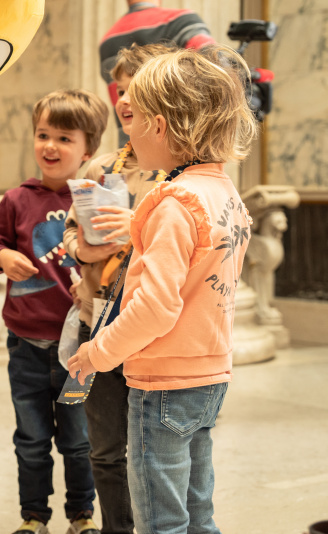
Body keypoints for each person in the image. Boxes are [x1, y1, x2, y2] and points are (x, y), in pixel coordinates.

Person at [68, 45, 258, 534]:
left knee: (160, 518)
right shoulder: (222, 192)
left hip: (165, 382)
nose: (126, 126)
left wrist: (97, 352)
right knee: (198, 509)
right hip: (211, 372)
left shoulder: (173, 201)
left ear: (160, 126)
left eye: (136, 115)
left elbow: (155, 308)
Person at [0, 89, 109, 534]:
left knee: (78, 442)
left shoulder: (94, 202)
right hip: (26, 349)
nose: (50, 146)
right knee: (31, 441)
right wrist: (1, 259)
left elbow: (113, 258)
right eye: (42, 134)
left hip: (79, 350)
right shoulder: (16, 199)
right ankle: (34, 516)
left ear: (87, 150)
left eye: (64, 138)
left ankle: (82, 515)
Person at [62, 42, 174, 534]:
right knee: (105, 450)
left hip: (156, 335)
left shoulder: (179, 174)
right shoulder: (103, 167)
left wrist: (137, 225)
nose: (125, 99)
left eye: (137, 89)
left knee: (157, 451)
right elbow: (70, 232)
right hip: (99, 322)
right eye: (120, 89)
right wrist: (82, 249)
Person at [100, 0, 215, 144]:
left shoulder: (107, 40)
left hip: (129, 146)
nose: (124, 99)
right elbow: (216, 73)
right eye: (121, 92)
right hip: (175, 144)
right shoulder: (182, 22)